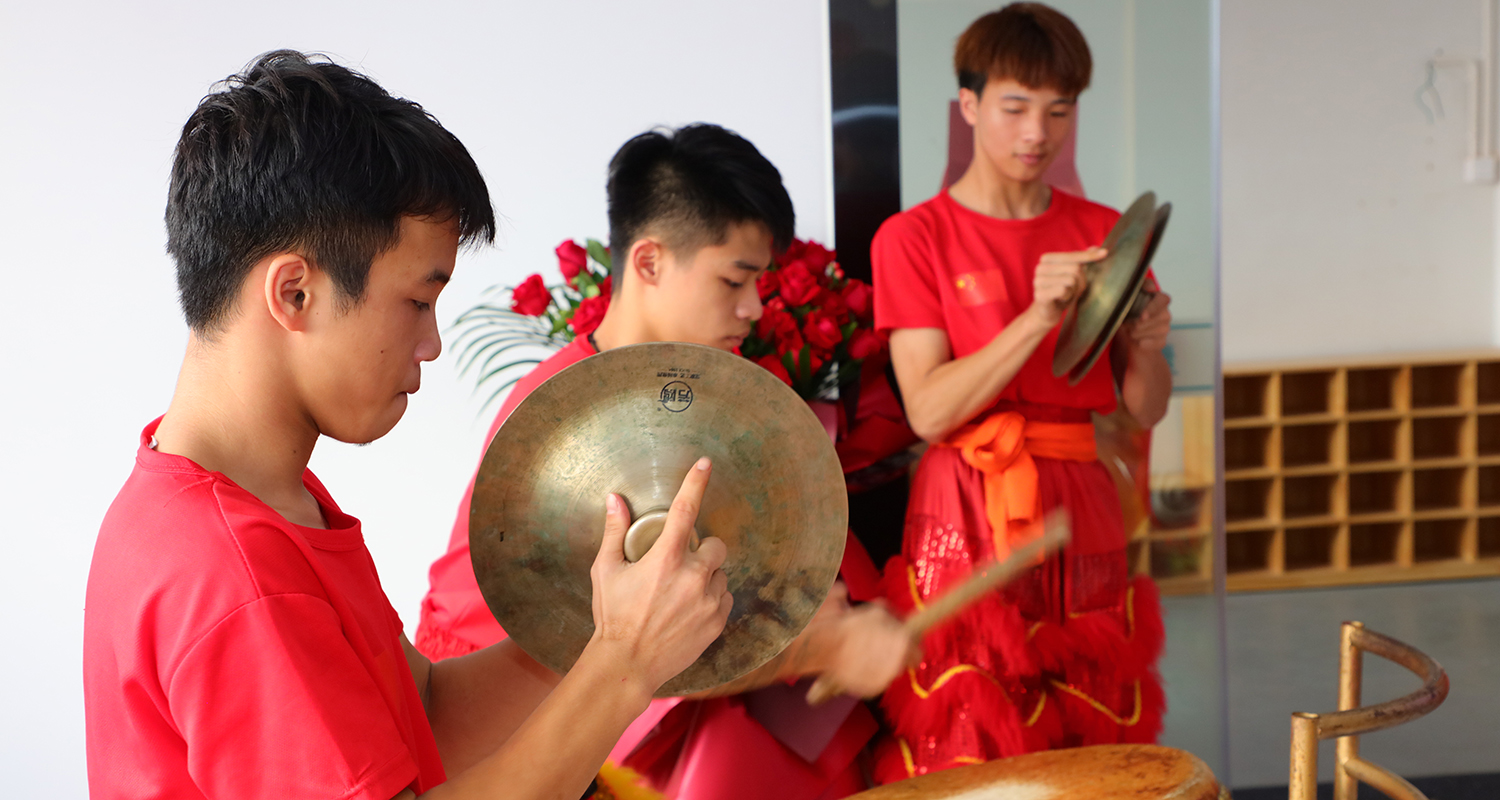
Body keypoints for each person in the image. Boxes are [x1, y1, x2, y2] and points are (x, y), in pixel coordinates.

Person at [83, 51, 734, 800]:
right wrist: (625, 664)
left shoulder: (252, 500)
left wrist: (604, 624)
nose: (432, 344)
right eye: (418, 302)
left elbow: (424, 715)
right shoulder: (236, 573)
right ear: (294, 293)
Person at [416, 124, 916, 800]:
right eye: (734, 280)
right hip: (506, 736)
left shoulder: (682, 394)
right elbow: (611, 648)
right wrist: (813, 648)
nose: (753, 308)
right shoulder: (569, 421)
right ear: (648, 262)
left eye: (760, 282)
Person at [869, 3, 1173, 783]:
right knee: (971, 720)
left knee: (1092, 714)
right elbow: (929, 411)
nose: (1038, 132)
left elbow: (1143, 408)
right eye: (1015, 107)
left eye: (1059, 110)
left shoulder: (1105, 230)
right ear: (968, 105)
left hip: (1081, 499)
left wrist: (1146, 343)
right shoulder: (914, 237)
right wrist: (1037, 317)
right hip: (966, 497)